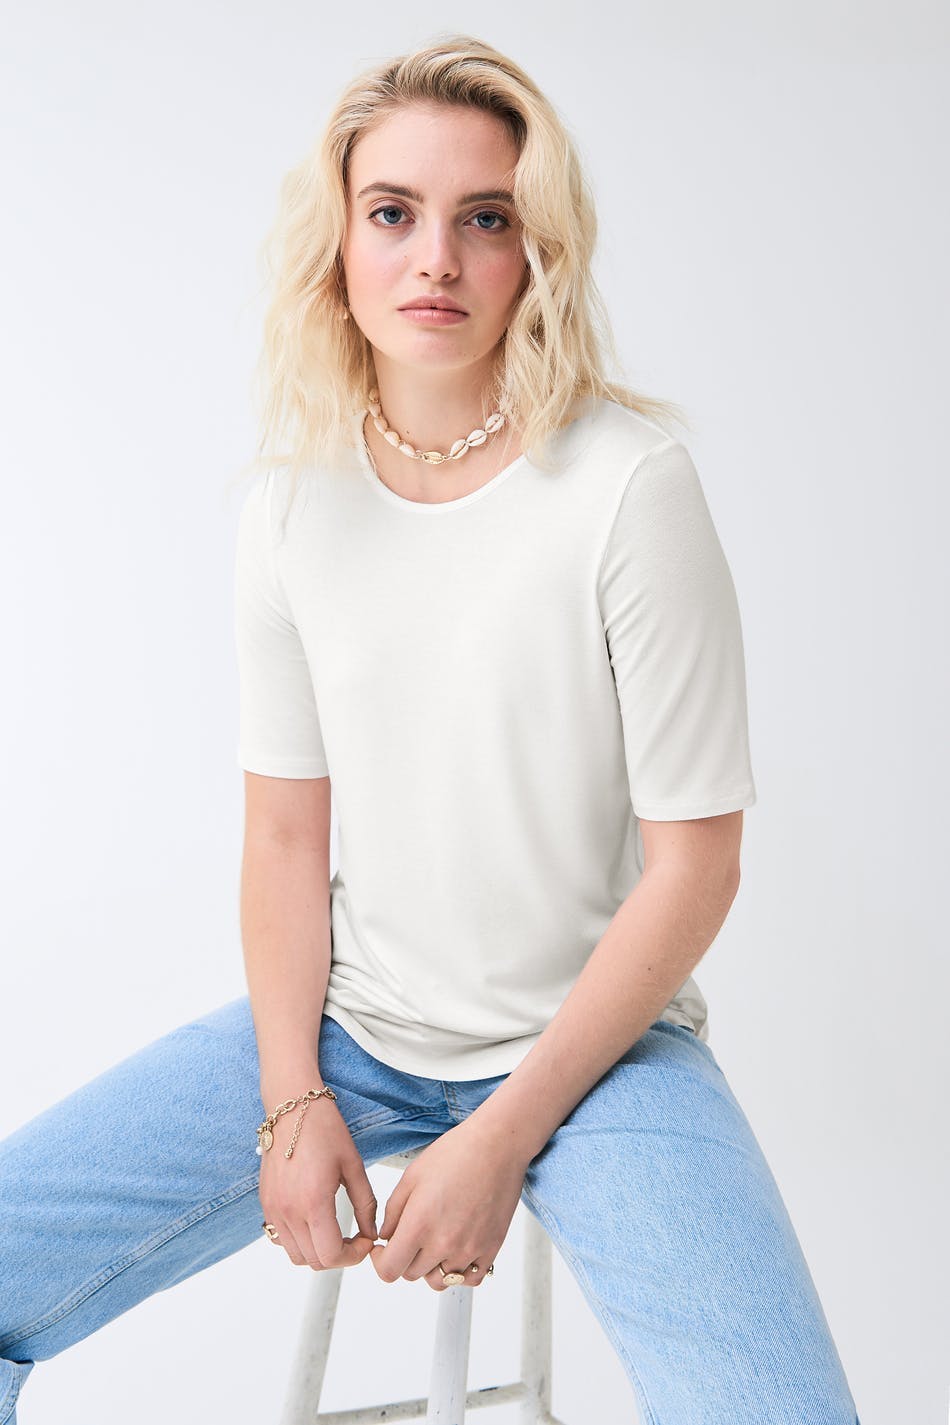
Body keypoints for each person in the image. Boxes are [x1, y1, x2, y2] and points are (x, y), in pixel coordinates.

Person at [0, 32, 861, 1425]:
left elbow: (697, 865)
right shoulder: (290, 508)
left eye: (487, 220)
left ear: (538, 251)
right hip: (354, 1028)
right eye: (394, 213)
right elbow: (286, 838)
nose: (436, 261)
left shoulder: (626, 488)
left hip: (597, 1050)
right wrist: (292, 1100)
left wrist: (503, 1135)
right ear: (339, 241)